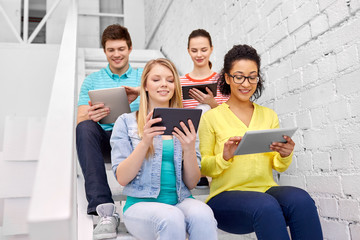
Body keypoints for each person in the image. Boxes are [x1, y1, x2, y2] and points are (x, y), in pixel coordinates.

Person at [198, 44, 323, 240]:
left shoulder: (268, 115)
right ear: (228, 78)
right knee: (265, 205)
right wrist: (224, 156)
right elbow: (205, 168)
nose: (246, 83)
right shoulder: (211, 117)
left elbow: (278, 166)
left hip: (264, 191)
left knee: (301, 200)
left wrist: (285, 153)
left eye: (252, 76)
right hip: (225, 197)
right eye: (239, 76)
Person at [110, 58, 218, 240]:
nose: (164, 85)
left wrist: (190, 149)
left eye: (170, 80)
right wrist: (145, 142)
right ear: (145, 85)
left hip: (180, 200)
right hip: (140, 205)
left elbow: (191, 183)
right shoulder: (126, 122)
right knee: (171, 217)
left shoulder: (188, 122)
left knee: (204, 214)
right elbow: (122, 177)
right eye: (156, 79)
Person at [76, 24, 142, 239]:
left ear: (130, 48)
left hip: (136, 139)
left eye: (121, 49)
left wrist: (142, 91)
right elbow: (80, 118)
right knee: (84, 127)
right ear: (105, 51)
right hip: (106, 139)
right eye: (111, 50)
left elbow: (168, 98)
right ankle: (104, 209)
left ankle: (143, 205)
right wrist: (91, 115)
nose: (116, 54)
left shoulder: (144, 77)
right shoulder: (91, 81)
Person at [181, 29, 228, 188]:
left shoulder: (222, 80)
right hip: (190, 137)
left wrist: (212, 103)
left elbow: (231, 116)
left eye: (204, 50)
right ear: (188, 51)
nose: (199, 54)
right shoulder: (180, 82)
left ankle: (202, 169)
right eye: (194, 50)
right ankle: (197, 168)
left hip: (216, 134)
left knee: (204, 109)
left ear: (211, 49)